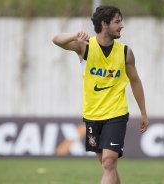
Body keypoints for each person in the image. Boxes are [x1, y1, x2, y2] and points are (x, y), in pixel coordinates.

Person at [52, 5, 148, 184]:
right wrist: (74, 36)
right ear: (104, 24)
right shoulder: (85, 47)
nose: (122, 25)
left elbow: (135, 81)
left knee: (108, 162)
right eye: (117, 22)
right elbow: (56, 39)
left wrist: (143, 112)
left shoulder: (125, 52)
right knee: (107, 167)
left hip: (116, 113)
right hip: (92, 115)